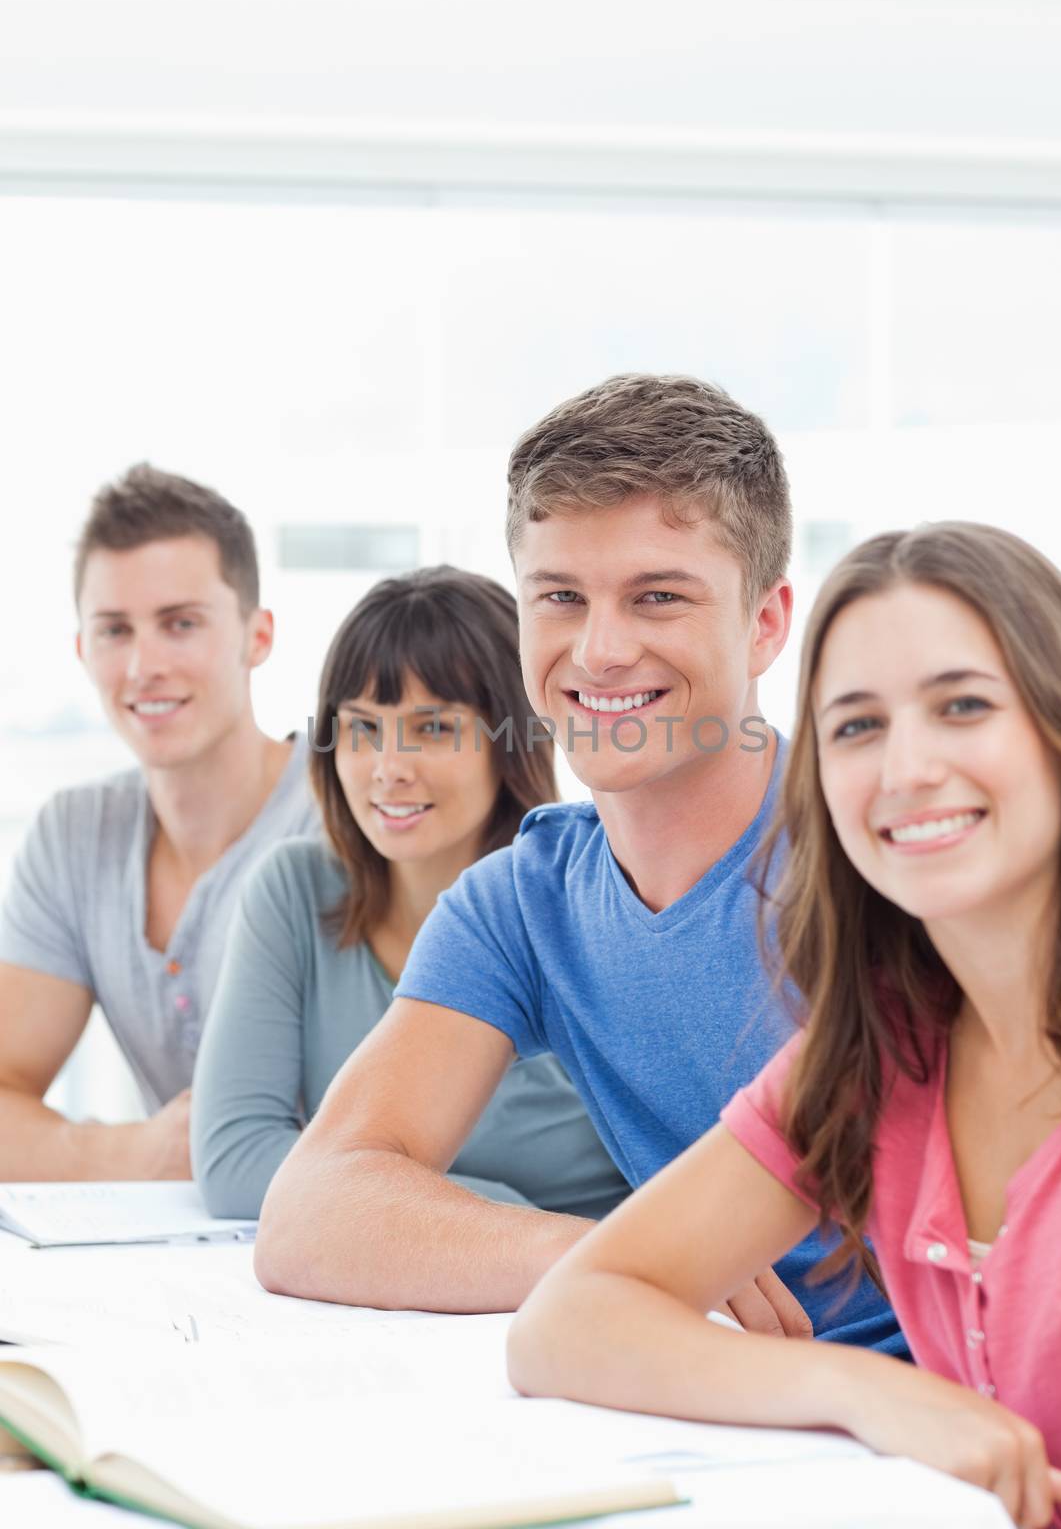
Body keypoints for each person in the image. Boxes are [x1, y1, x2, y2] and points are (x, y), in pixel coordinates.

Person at [254, 373, 902, 1354]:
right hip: (728, 1408)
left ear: (767, 622)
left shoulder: (879, 852)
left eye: (657, 596)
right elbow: (310, 1211)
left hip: (964, 1414)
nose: (598, 651)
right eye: (559, 596)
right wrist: (616, 1260)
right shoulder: (522, 900)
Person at [508, 521, 1061, 1529]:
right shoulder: (879, 1054)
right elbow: (566, 1323)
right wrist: (859, 1388)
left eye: (962, 707)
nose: (906, 768)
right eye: (854, 726)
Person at [191, 566, 628, 1223]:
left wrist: (370, 1193)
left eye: (433, 729)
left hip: (586, 1297)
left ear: (511, 740)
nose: (389, 768)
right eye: (363, 729)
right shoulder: (295, 892)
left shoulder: (598, 908)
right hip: (417, 1292)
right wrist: (492, 1212)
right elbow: (236, 1159)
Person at [0, 464, 317, 1180]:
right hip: (170, 1257)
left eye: (181, 624)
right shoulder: (73, 836)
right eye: (115, 630)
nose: (145, 665)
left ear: (257, 636)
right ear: (84, 651)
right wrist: (135, 1151)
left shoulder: (352, 818)